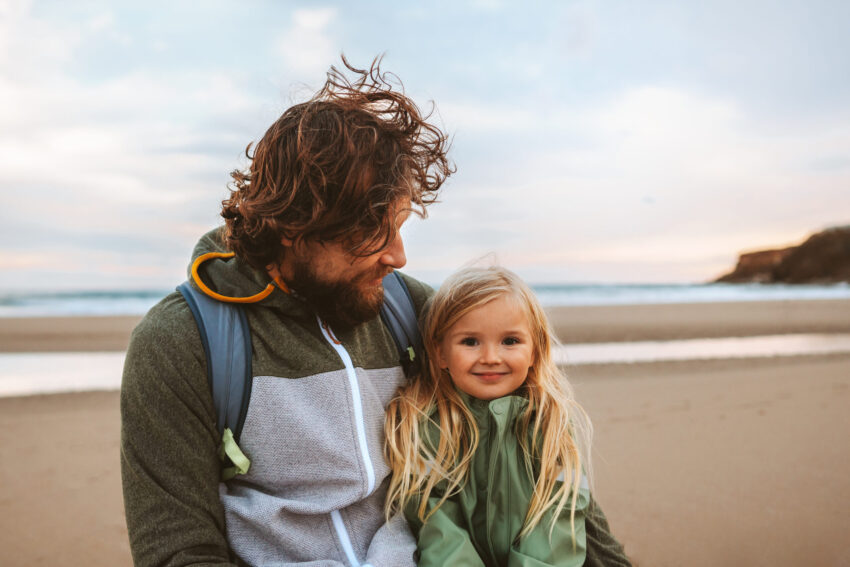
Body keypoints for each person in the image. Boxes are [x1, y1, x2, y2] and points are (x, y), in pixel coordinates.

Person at [121, 57, 453, 566]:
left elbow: (531, 460)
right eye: (372, 230)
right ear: (294, 225)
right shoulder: (181, 343)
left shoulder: (415, 313)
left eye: (400, 225)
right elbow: (179, 551)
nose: (398, 256)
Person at [385, 266, 632, 566]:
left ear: (535, 351)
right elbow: (435, 523)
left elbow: (559, 513)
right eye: (470, 341)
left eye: (510, 341)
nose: (491, 357)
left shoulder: (549, 421)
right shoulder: (425, 425)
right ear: (440, 353)